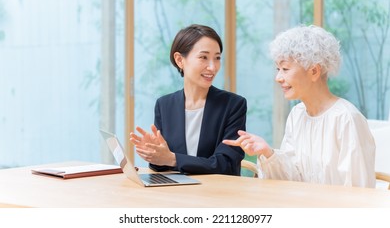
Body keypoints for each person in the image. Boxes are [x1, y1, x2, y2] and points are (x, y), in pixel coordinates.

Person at [223, 25, 376, 188]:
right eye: (277, 69)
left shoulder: (346, 119)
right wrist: (267, 152)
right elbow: (291, 179)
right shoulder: (297, 114)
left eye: (285, 69)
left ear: (314, 71)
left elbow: (360, 192)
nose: (278, 78)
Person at [130, 24, 246, 175]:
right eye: (203, 57)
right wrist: (154, 154)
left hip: (217, 194)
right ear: (179, 60)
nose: (212, 67)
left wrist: (172, 159)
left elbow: (226, 164)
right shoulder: (164, 105)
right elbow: (162, 166)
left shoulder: (233, 105)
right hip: (177, 192)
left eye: (217, 58)